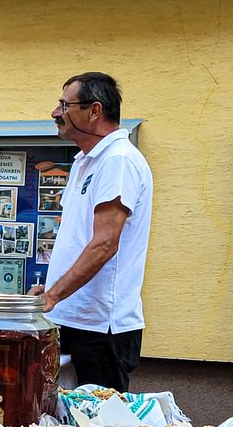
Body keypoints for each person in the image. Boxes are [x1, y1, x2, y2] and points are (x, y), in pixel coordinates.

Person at [35, 72, 152, 392]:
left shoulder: (119, 160)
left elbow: (104, 244)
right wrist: (50, 288)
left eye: (64, 105)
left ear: (95, 110)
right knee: (68, 426)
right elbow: (80, 240)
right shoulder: (87, 161)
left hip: (102, 328)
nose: (55, 113)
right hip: (75, 320)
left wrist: (53, 295)